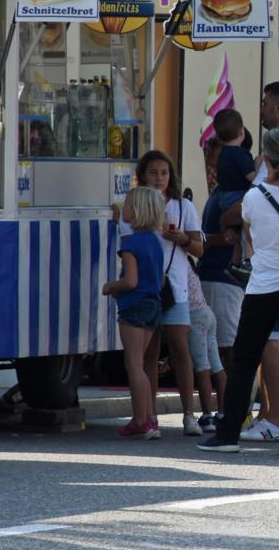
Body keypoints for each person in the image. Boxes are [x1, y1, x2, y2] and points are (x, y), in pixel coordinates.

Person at [197, 127, 279, 456]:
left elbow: (250, 237)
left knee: (244, 361)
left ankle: (228, 435)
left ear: (264, 160)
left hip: (263, 286)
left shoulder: (255, 198)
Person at [135, 151, 205, 436]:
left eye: (164, 173)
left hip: (176, 287)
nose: (159, 178)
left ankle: (190, 414)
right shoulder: (136, 206)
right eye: (153, 172)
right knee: (149, 352)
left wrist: (183, 239)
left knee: (180, 347)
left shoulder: (182, 206)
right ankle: (150, 416)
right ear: (143, 175)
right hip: (147, 286)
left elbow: (200, 249)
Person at [104, 187, 166, 439]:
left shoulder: (129, 245)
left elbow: (130, 281)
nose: (125, 209)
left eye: (128, 206)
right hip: (154, 305)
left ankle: (142, 420)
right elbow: (160, 280)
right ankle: (149, 418)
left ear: (137, 211)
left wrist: (111, 287)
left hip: (133, 306)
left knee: (135, 365)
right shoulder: (155, 242)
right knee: (142, 364)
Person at [210, 109, 256, 281]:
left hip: (225, 198)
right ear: (242, 131)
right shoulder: (241, 154)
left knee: (234, 233)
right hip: (237, 196)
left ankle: (234, 263)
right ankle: (247, 259)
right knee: (248, 226)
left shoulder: (223, 154)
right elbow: (251, 177)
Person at [187, 265, 226, 432]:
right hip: (207, 312)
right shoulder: (191, 264)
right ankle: (223, 413)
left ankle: (207, 416)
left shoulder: (176, 266)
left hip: (194, 315)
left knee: (202, 366)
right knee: (217, 365)